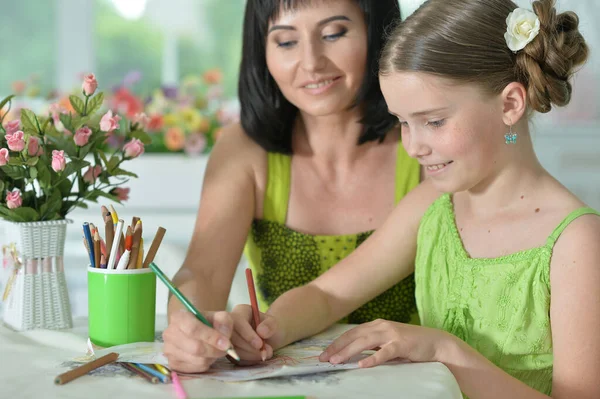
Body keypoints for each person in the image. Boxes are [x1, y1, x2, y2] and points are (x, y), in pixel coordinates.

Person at [227, 0, 600, 397]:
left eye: (434, 121)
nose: (414, 146)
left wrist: (444, 350)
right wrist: (268, 326)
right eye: (403, 123)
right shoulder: (432, 206)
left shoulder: (577, 242)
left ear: (510, 104)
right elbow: (328, 294)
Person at [163, 0, 422, 373]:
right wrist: (189, 326)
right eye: (286, 42)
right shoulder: (244, 150)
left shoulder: (425, 147)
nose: (312, 62)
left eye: (334, 34)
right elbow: (202, 272)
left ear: (380, 32)